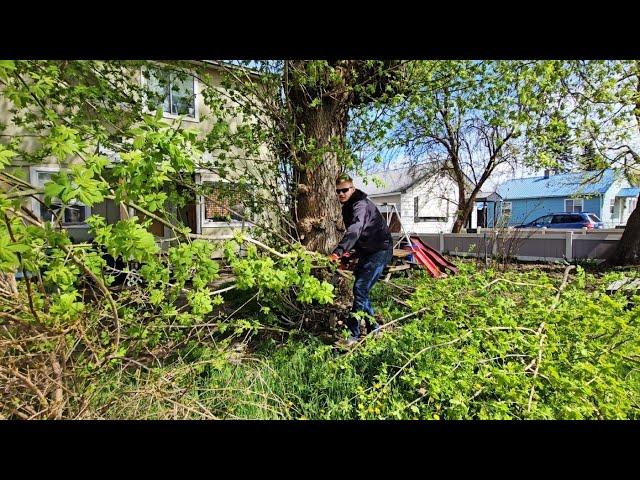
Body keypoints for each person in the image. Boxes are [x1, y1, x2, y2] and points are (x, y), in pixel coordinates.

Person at [329, 174, 394, 345]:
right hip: (367, 251)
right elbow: (360, 235)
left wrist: (339, 251)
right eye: (338, 191)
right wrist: (350, 254)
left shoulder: (360, 205)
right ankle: (374, 330)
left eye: (345, 190)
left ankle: (353, 335)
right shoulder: (348, 207)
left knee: (359, 289)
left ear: (353, 189)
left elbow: (355, 230)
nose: (341, 194)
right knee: (361, 292)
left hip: (380, 250)